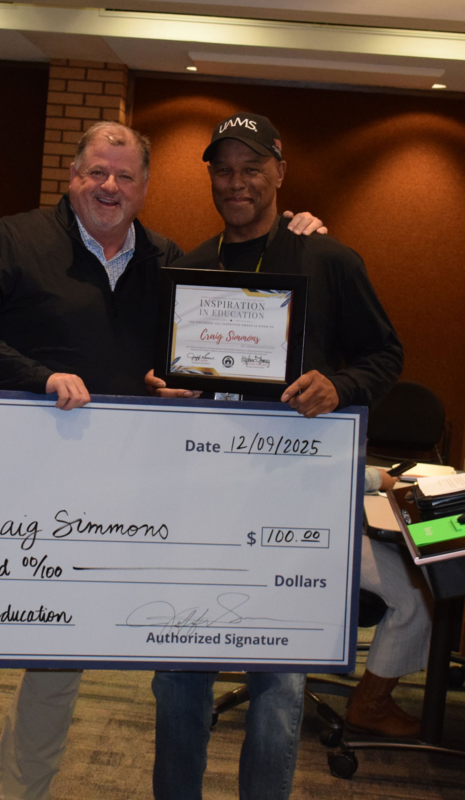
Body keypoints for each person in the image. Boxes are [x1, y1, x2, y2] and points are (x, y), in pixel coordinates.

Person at [0, 120, 325, 800]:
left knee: (58, 661)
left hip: (91, 503)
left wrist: (296, 235)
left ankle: (24, 794)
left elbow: (211, 332)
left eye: (124, 176)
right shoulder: (10, 239)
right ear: (72, 175)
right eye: (96, 172)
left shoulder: (165, 261)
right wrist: (37, 377)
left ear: (144, 187)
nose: (109, 186)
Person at [147, 111, 404, 800]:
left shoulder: (328, 260)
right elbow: (166, 371)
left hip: (293, 507)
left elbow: (385, 354)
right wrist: (161, 388)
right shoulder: (191, 268)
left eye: (252, 168)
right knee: (177, 674)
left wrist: (340, 385)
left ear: (280, 173)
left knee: (279, 682)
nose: (236, 183)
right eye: (223, 170)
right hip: (200, 505)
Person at [347, 467, 432, 737]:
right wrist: (375, 479)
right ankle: (370, 707)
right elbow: (322, 473)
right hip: (307, 538)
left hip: (326, 521)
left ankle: (370, 694)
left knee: (421, 563)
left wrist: (372, 475)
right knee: (417, 595)